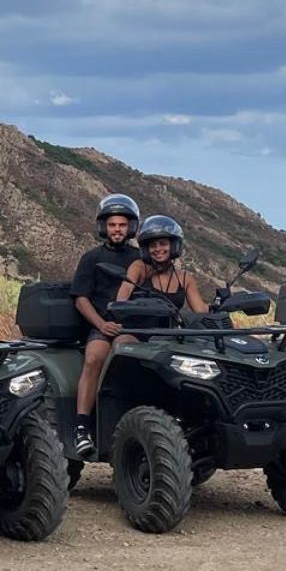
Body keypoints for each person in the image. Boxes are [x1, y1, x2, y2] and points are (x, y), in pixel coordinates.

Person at [69, 193, 141, 459]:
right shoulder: (91, 258)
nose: (117, 230)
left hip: (133, 327)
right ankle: (81, 426)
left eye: (122, 225)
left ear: (131, 227)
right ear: (104, 227)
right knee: (94, 358)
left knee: (133, 359)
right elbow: (81, 299)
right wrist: (102, 323)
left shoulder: (140, 258)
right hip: (101, 324)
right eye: (112, 225)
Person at [113, 215, 207, 332]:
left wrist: (224, 307)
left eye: (163, 243)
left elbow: (201, 310)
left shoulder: (184, 278)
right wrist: (121, 307)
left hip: (169, 335)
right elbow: (124, 294)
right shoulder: (140, 267)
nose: (157, 249)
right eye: (152, 245)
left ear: (173, 246)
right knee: (122, 343)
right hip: (137, 332)